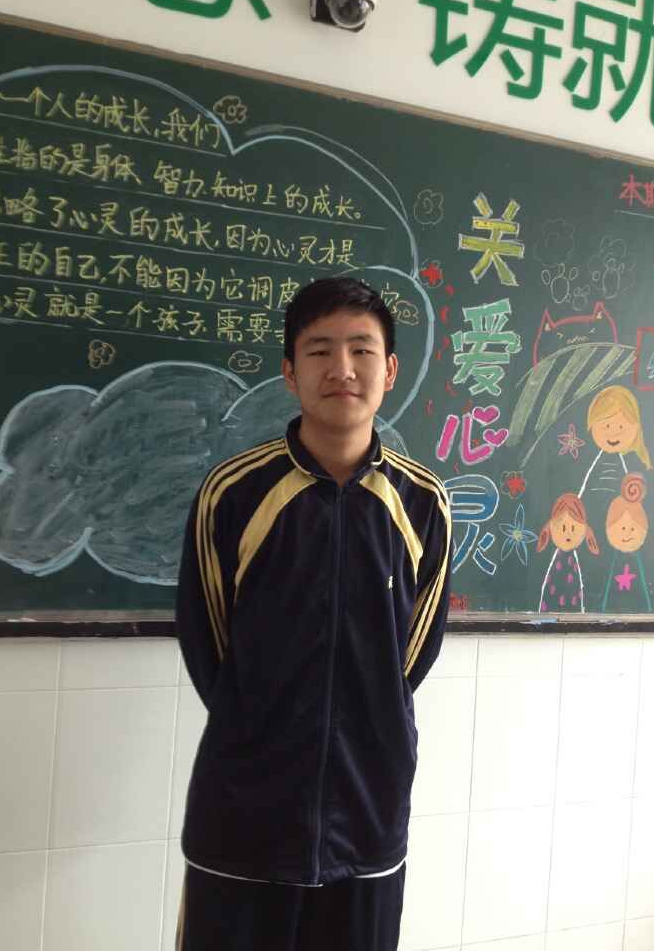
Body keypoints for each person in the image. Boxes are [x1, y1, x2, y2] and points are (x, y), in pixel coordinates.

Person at [175, 277, 453, 951]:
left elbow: (411, 656)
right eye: (320, 351)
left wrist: (363, 724)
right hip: (244, 813)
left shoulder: (422, 503)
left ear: (390, 369)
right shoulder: (234, 494)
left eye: (362, 350)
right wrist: (260, 730)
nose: (342, 369)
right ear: (290, 371)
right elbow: (208, 641)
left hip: (368, 810)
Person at [536, 492, 599, 613]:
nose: (568, 534)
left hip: (574, 616)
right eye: (563, 528)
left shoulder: (575, 565)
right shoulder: (557, 564)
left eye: (573, 528)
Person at [601, 473, 651, 613]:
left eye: (633, 528)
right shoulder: (613, 560)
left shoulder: (638, 561)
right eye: (622, 528)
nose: (627, 534)